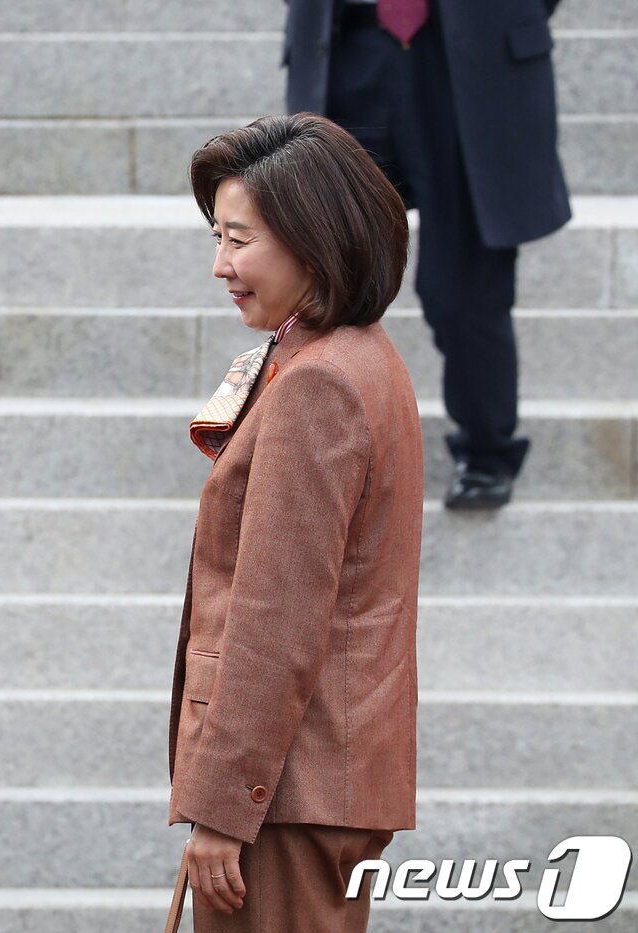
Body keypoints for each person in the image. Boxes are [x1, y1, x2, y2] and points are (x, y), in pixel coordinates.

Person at [167, 113, 423, 933]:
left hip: (285, 790)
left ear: (313, 240)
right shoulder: (351, 354)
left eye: (239, 240)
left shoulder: (320, 383)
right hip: (308, 781)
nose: (220, 265)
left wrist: (225, 803)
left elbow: (278, 618)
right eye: (218, 236)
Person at [283, 0, 570, 508]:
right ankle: (317, 443)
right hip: (348, 53)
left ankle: (486, 453)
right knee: (324, 270)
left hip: (469, 66)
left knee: (461, 294)